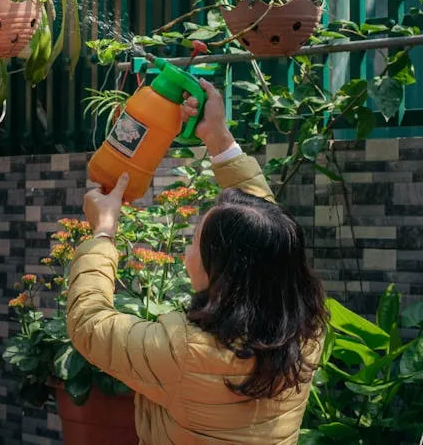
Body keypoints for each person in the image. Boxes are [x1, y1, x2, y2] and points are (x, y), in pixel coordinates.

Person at [67, 79, 327, 444]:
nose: (186, 250)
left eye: (194, 241)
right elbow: (264, 223)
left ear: (218, 272)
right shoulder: (305, 330)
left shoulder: (183, 353)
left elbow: (88, 323)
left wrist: (103, 232)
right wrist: (216, 135)